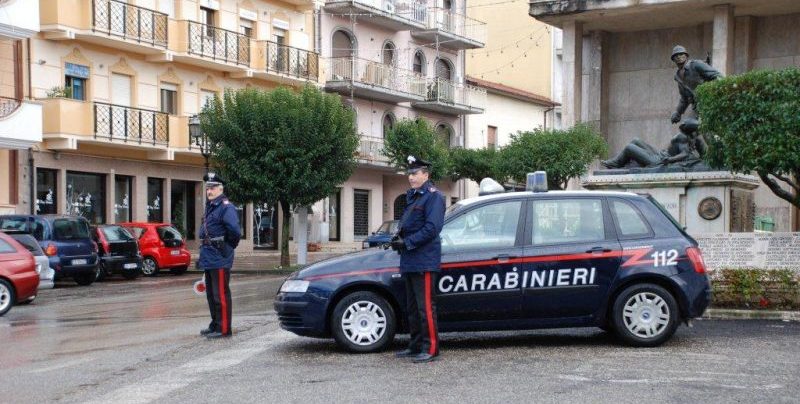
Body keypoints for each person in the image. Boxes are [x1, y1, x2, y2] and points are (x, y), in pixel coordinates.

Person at [391, 155, 446, 363]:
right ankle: (415, 346)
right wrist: (399, 239)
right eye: (409, 174)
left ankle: (431, 348)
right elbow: (409, 224)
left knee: (425, 308)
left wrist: (408, 242)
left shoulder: (434, 196)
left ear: (426, 174)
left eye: (415, 173)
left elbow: (432, 228)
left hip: (424, 260)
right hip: (410, 259)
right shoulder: (413, 196)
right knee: (412, 308)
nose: (411, 177)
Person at [198, 172, 241, 339]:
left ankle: (224, 329)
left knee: (220, 294)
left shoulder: (226, 206)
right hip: (209, 255)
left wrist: (228, 247)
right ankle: (215, 324)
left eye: (213, 187)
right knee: (211, 294)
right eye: (208, 187)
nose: (209, 191)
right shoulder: (211, 206)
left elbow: (235, 231)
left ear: (220, 189)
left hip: (219, 255)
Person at [601, 118, 705, 169]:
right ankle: (618, 161)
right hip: (660, 155)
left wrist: (670, 159)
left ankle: (616, 163)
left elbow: (685, 154)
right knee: (636, 140)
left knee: (629, 147)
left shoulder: (682, 137)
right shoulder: (691, 138)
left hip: (658, 161)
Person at [670, 45, 722, 124]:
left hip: (709, 102)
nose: (678, 57)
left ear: (686, 56)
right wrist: (678, 112)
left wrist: (714, 94)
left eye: (681, 54)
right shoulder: (678, 77)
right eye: (676, 55)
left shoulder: (696, 64)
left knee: (708, 128)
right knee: (687, 127)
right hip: (697, 107)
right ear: (673, 59)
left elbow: (717, 76)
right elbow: (684, 98)